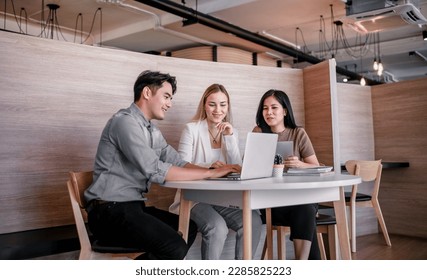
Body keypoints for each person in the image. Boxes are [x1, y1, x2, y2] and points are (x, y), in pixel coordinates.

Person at [84, 71, 240, 260]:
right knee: (173, 246)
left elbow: (177, 161)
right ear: (147, 93)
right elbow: (153, 169)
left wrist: (216, 171)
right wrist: (208, 173)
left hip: (132, 207)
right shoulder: (125, 122)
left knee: (188, 227)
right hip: (109, 212)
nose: (169, 104)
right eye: (166, 97)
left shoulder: (151, 129)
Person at [169, 84, 262, 260]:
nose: (218, 110)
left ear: (228, 107)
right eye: (212, 104)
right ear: (204, 105)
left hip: (221, 198)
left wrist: (229, 137)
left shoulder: (231, 132)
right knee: (217, 227)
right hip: (193, 198)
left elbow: (237, 168)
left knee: (254, 220)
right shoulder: (191, 129)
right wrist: (210, 167)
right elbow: (181, 165)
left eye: (223, 104)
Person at [252, 89, 321, 260]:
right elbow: (250, 167)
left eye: (274, 107)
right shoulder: (259, 132)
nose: (268, 112)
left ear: (284, 111)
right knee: (307, 210)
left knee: (305, 206)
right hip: (271, 202)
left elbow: (315, 166)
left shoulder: (298, 133)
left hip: (298, 198)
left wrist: (299, 164)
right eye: (265, 108)